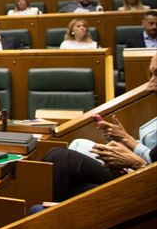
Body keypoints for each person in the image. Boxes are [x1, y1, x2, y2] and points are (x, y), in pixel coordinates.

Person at [43, 54, 156, 202]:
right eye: (151, 75)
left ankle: (48, 214)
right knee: (73, 179)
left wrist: (136, 163)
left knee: (59, 157)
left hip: (147, 184)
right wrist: (125, 139)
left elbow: (150, 168)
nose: (149, 85)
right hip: (141, 171)